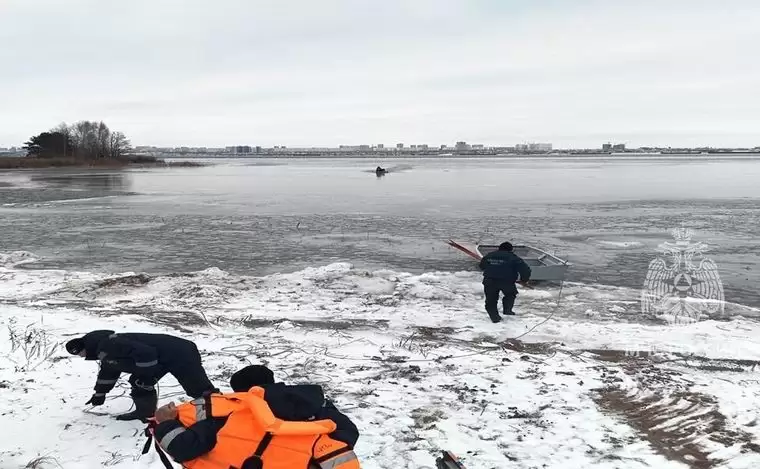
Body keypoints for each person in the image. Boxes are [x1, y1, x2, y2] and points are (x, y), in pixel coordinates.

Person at [149, 365, 361, 469]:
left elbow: (182, 447)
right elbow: (348, 434)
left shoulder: (227, 413)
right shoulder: (315, 407)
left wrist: (166, 422)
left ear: (239, 393)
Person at [65, 329, 217, 421]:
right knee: (138, 381)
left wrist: (146, 374)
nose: (80, 356)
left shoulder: (109, 344)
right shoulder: (103, 351)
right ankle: (145, 413)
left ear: (84, 347)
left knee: (198, 388)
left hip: (180, 353)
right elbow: (108, 371)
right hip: (161, 357)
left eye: (79, 353)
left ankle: (219, 410)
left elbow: (146, 352)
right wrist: (100, 393)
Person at [478, 241, 531, 323]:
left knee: (491, 300)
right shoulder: (513, 257)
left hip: (489, 281)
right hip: (506, 281)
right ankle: (507, 311)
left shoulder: (489, 255)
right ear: (511, 250)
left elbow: (482, 266)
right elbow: (525, 270)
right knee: (510, 295)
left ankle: (494, 317)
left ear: (499, 248)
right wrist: (524, 280)